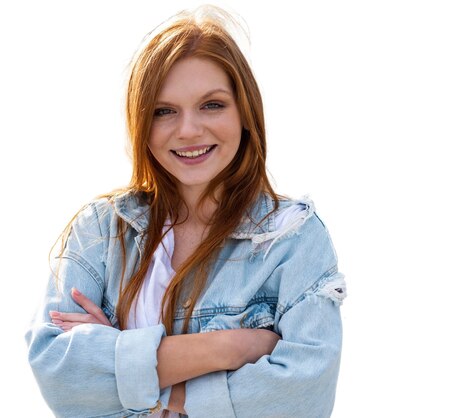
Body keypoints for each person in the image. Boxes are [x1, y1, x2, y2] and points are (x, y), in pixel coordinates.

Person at [25, 5, 346, 417]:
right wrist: (231, 347)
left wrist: (126, 372)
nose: (189, 130)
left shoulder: (293, 237)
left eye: (212, 105)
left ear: (245, 113)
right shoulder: (100, 232)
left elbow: (300, 400)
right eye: (164, 111)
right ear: (142, 123)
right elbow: (59, 373)